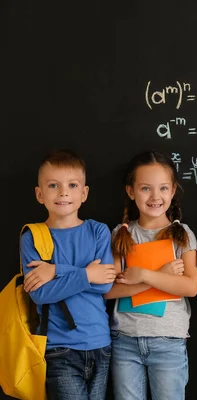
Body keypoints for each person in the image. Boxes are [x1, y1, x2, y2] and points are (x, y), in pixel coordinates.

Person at [20, 149, 116, 400]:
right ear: (40, 194)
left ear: (84, 193)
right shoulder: (33, 237)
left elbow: (104, 283)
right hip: (59, 348)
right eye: (53, 185)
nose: (63, 192)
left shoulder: (98, 231)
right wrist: (87, 274)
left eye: (72, 185)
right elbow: (40, 294)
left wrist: (56, 271)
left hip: (100, 344)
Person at [105, 150, 197, 400]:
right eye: (146, 188)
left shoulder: (182, 234)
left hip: (168, 341)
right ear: (131, 191)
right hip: (125, 341)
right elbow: (109, 290)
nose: (155, 197)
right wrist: (162, 276)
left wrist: (145, 275)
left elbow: (190, 286)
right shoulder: (120, 234)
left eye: (163, 188)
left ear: (173, 190)